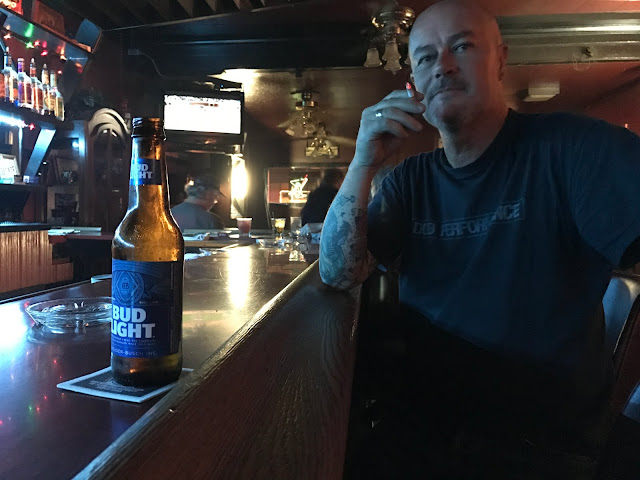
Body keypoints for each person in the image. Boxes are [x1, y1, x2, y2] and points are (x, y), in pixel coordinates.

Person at [320, 0, 640, 478]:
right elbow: (339, 272)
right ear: (414, 83)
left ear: (501, 60)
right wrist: (363, 162)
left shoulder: (572, 148)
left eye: (463, 46)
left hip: (537, 446)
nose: (443, 66)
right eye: (426, 57)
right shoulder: (409, 181)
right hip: (423, 428)